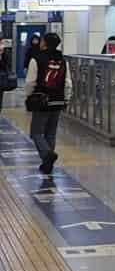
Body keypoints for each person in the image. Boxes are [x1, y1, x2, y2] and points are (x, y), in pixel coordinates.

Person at [25, 32, 70, 176]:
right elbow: (68, 83)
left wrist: (28, 97)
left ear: (44, 43)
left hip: (41, 100)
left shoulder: (36, 59)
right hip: (58, 100)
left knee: (36, 133)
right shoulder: (63, 60)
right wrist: (67, 98)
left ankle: (47, 155)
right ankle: (47, 165)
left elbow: (30, 82)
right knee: (51, 133)